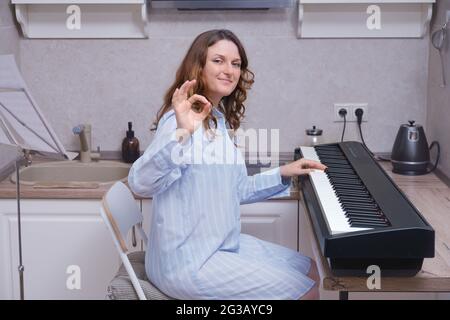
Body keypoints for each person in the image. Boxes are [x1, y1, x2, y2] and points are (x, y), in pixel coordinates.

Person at [128, 29, 326, 300]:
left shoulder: (217, 119)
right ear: (199, 66)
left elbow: (237, 189)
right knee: (307, 292)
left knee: (311, 270)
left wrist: (283, 172)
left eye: (236, 64)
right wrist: (182, 132)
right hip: (188, 261)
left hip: (220, 246)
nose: (229, 70)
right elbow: (139, 182)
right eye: (218, 60)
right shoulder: (179, 122)